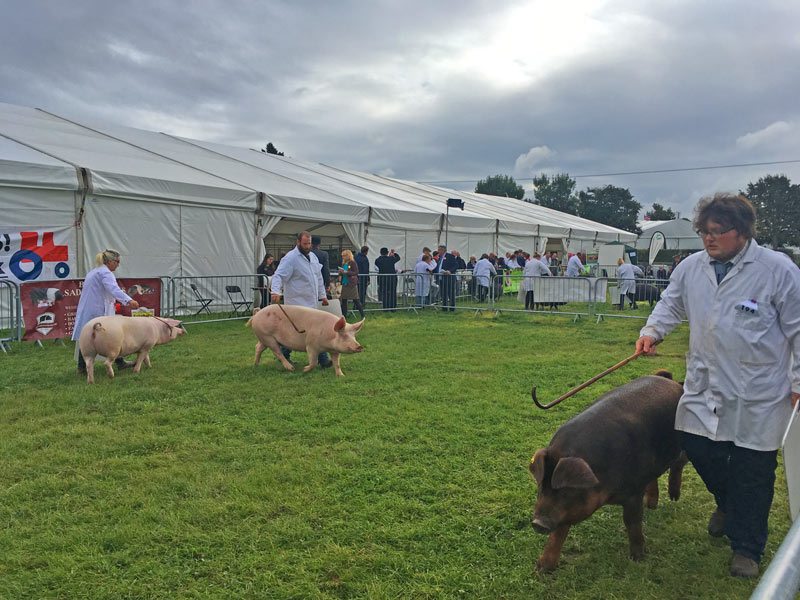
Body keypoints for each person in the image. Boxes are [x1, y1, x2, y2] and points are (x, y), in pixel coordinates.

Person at [635, 193, 800, 578]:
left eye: (717, 232)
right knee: (696, 445)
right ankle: (729, 504)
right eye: (703, 232)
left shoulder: (778, 270)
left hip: (758, 392)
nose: (708, 239)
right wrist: (653, 331)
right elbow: (670, 303)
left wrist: (798, 379)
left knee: (753, 469)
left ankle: (747, 548)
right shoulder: (693, 267)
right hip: (705, 384)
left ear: (742, 232)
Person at [72, 249, 140, 375]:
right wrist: (129, 300)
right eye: (117, 261)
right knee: (113, 336)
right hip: (98, 310)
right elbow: (114, 289)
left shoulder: (94, 272)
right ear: (109, 261)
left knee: (87, 337)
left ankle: (82, 367)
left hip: (91, 308)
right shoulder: (105, 273)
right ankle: (117, 363)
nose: (118, 264)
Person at [270, 231, 332, 368]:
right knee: (295, 332)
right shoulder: (290, 258)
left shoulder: (313, 257)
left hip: (311, 302)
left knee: (314, 331)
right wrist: (275, 291)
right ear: (298, 242)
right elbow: (278, 275)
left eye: (309, 243)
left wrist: (323, 295)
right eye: (304, 243)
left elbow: (318, 277)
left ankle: (322, 359)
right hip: (296, 303)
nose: (307, 246)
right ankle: (285, 355)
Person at [338, 249, 365, 319]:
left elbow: (356, 272)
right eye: (342, 256)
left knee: (356, 300)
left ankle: (363, 315)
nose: (343, 257)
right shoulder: (343, 263)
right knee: (344, 300)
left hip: (351, 284)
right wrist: (340, 272)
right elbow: (342, 273)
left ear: (348, 256)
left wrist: (347, 272)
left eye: (344, 256)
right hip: (344, 283)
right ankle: (344, 316)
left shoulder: (352, 262)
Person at [434, 245, 459, 311]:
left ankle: (452, 308)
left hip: (449, 278)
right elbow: (438, 266)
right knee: (443, 293)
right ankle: (444, 307)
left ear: (443, 250)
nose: (438, 251)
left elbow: (456, 265)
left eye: (439, 250)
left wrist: (449, 271)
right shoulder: (439, 257)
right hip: (441, 278)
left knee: (450, 293)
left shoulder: (449, 256)